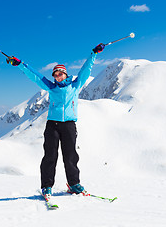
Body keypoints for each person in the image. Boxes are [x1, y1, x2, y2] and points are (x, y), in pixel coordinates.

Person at [9, 43, 105, 199]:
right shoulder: (51, 87)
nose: (57, 77)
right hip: (52, 125)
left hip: (68, 125)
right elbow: (35, 76)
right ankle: (47, 186)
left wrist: (93, 53)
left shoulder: (75, 85)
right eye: (55, 75)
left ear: (65, 74)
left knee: (70, 155)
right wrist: (20, 64)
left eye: (59, 74)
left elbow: (86, 70)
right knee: (50, 156)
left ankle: (74, 184)